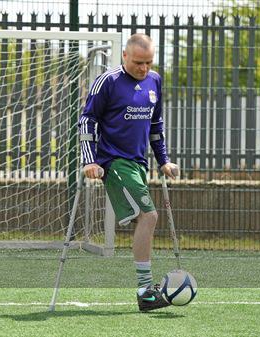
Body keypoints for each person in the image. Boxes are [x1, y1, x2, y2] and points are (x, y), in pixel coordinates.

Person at [78, 33, 179, 312]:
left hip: (138, 164)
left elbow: (156, 125)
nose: (143, 68)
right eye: (138, 62)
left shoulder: (155, 81)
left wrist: (164, 161)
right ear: (124, 56)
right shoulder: (108, 81)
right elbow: (87, 120)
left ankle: (146, 289)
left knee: (144, 218)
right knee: (149, 215)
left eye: (148, 62)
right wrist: (89, 161)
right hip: (114, 163)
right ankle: (146, 292)